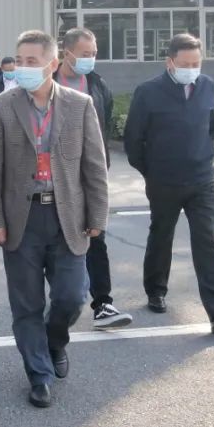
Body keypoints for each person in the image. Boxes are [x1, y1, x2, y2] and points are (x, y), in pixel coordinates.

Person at [0, 30, 109, 409]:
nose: (23, 67)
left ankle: (55, 341)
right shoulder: (1, 107)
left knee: (72, 296)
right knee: (27, 304)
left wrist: (97, 215)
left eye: (31, 61)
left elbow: (94, 166)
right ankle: (38, 374)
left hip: (67, 215)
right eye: (19, 60)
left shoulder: (79, 105)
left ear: (53, 64)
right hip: (22, 217)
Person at [123, 32, 214, 334]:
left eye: (196, 63)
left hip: (202, 180)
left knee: (208, 241)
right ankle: (156, 290)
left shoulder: (207, 86)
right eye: (185, 64)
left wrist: (205, 159)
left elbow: (211, 128)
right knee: (161, 235)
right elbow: (133, 140)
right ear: (170, 62)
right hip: (163, 180)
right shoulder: (148, 92)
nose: (192, 69)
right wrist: (152, 172)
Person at [55, 28, 133, 330]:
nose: (91, 59)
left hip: (89, 174)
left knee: (95, 236)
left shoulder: (97, 84)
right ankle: (57, 299)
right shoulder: (48, 84)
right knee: (55, 239)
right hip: (54, 175)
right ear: (67, 53)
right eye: (85, 54)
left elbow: (104, 123)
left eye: (94, 53)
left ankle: (103, 303)